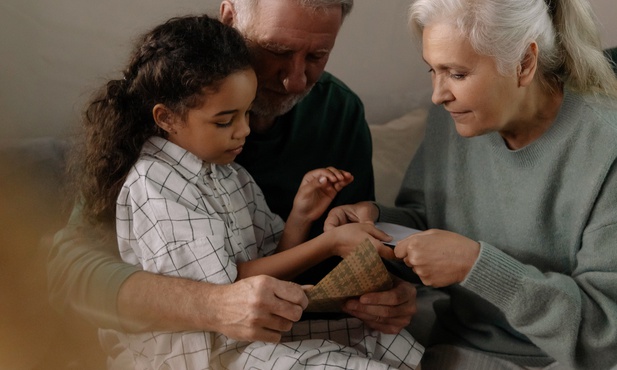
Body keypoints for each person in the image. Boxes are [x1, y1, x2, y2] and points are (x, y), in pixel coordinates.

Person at [47, 0, 417, 355]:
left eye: (317, 56)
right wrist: (214, 304)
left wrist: (386, 292)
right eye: (277, 50)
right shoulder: (161, 116)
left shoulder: (339, 113)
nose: (295, 79)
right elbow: (71, 271)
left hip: (298, 329)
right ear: (229, 18)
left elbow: (354, 253)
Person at [324, 0, 617, 369]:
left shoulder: (606, 148)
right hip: (451, 344)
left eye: (457, 74)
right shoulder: (452, 120)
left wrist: (476, 265)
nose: (437, 94)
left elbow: (604, 335)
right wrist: (378, 222)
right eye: (433, 70)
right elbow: (432, 221)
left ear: (524, 63)